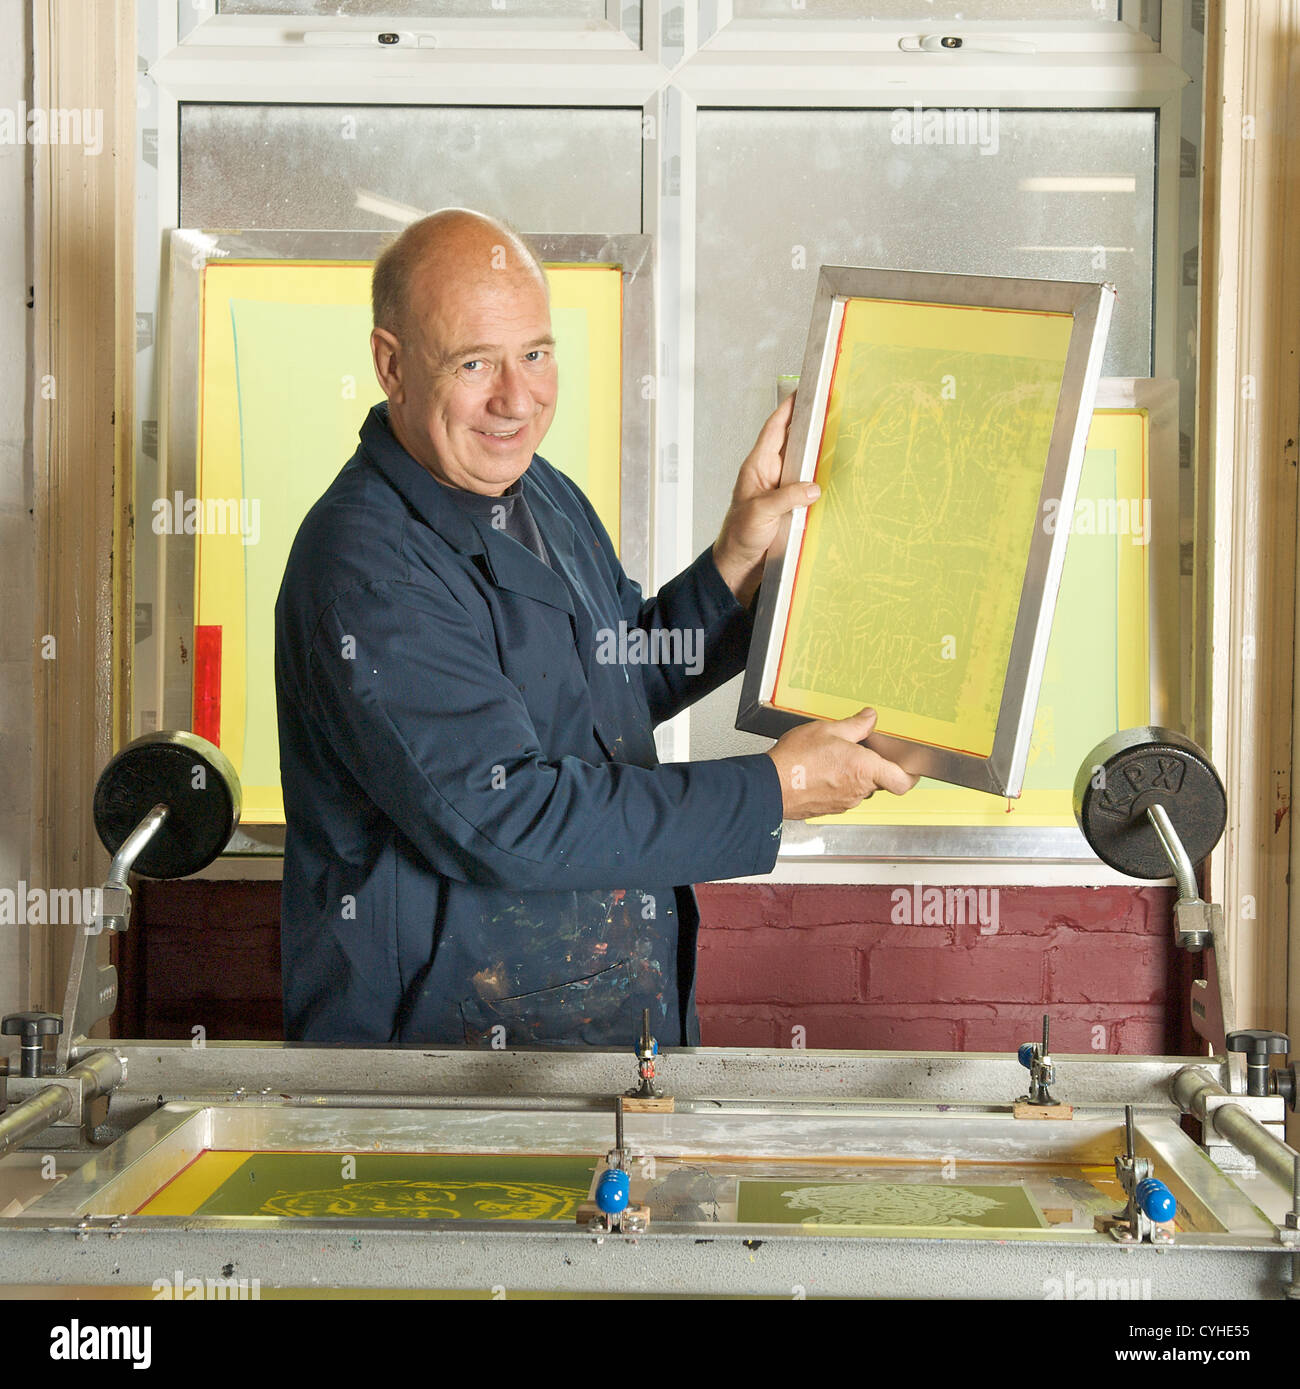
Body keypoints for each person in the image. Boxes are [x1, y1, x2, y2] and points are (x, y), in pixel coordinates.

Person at [274, 208, 916, 1048]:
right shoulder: (368, 564)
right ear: (392, 364)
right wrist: (774, 790)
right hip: (443, 1065)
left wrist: (739, 566)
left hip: (596, 1031)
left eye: (536, 354)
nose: (518, 398)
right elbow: (508, 817)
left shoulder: (540, 493)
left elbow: (611, 682)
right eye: (476, 363)